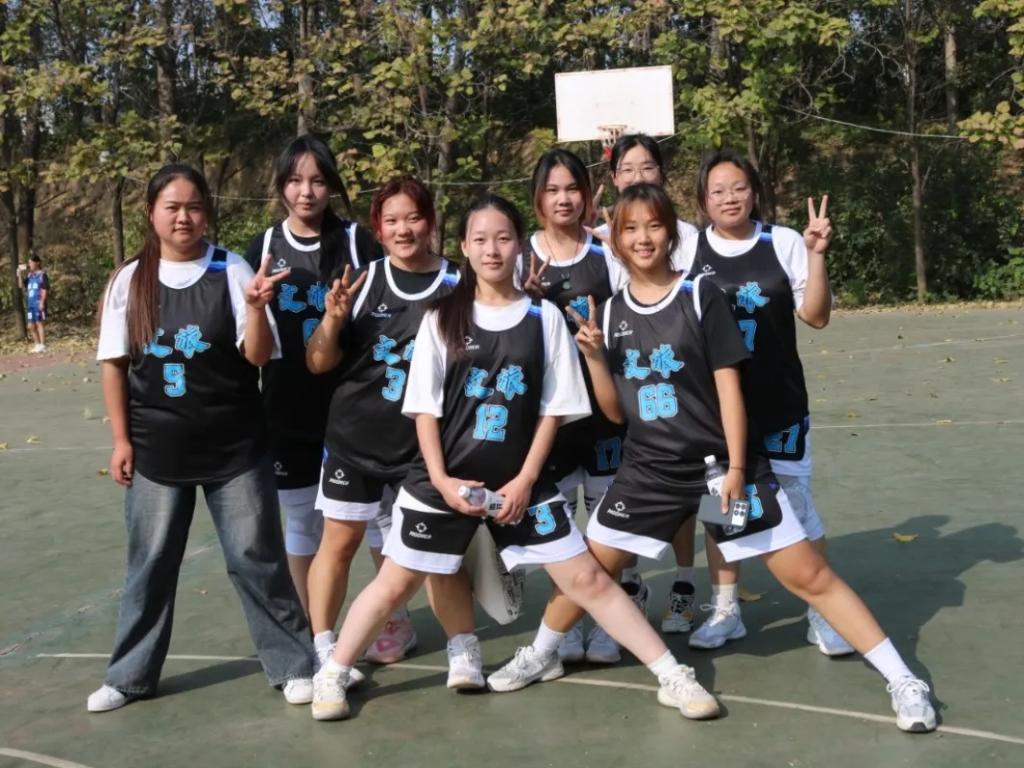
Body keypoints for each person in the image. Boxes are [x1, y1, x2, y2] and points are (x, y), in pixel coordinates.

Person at [529, 182, 935, 733]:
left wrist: (739, 470)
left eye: (654, 225)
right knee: (588, 572)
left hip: (717, 471)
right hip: (650, 473)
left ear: (671, 232)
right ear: (616, 241)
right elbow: (618, 414)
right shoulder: (615, 309)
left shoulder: (700, 294)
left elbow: (729, 391)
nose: (643, 238)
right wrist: (598, 360)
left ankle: (903, 680)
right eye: (630, 228)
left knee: (807, 575)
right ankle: (538, 654)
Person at [311, 194, 719, 723]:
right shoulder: (441, 317)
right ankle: (333, 674)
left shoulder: (544, 318)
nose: (492, 250)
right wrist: (442, 480)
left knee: (589, 579)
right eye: (480, 239)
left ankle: (672, 675)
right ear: (463, 247)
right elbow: (424, 411)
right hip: (444, 481)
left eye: (503, 238)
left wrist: (526, 479)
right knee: (395, 582)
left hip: (520, 484)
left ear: (520, 246)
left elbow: (553, 410)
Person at [88, 163, 315, 713]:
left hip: (234, 449)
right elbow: (114, 364)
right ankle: (129, 676)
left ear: (206, 212)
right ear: (151, 213)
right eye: (172, 207)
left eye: (193, 207)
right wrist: (121, 440)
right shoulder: (130, 279)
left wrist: (256, 308)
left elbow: (258, 356)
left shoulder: (230, 269)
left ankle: (293, 665)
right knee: (150, 564)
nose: (183, 217)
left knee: (256, 558)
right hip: (156, 450)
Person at [678, 150, 851, 657]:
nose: (729, 198)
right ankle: (725, 610)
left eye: (738, 187)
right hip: (716, 413)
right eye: (717, 191)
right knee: (722, 511)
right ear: (703, 200)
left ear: (754, 191)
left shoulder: (785, 242)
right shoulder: (689, 249)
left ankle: (822, 612)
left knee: (796, 507)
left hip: (780, 405)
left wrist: (817, 254)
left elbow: (816, 316)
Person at [304, 177, 466, 672]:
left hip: (425, 447)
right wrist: (332, 320)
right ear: (377, 228)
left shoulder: (460, 284)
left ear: (430, 222)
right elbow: (317, 362)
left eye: (413, 218)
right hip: (355, 440)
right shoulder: (362, 281)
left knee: (432, 553)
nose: (403, 229)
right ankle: (324, 646)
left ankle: (462, 650)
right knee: (340, 542)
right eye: (392, 220)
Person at [243, 135, 382, 613]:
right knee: (303, 522)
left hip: (353, 409)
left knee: (374, 520)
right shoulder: (263, 247)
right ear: (281, 185)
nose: (306, 192)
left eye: (318, 181)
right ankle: (312, 623)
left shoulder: (358, 242)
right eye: (295, 180)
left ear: (332, 186)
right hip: (287, 409)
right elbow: (249, 333)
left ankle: (392, 622)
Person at [518, 148, 637, 665]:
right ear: (537, 198)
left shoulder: (606, 252)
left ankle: (618, 610)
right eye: (552, 190)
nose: (563, 199)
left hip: (606, 407)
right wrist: (522, 298)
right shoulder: (520, 256)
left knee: (611, 520)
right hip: (551, 415)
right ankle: (564, 620)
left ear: (587, 196)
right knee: (561, 525)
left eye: (572, 188)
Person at [595, 132, 702, 637]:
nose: (638, 176)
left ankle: (685, 583)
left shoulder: (686, 236)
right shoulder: (598, 238)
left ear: (662, 172)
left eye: (647, 167)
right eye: (627, 168)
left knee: (687, 493)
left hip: (675, 381)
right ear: (613, 177)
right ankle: (632, 583)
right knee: (629, 489)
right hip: (621, 376)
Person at [21, 255, 50, 353]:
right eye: (29, 263)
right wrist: (19, 274)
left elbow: (45, 289)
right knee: (30, 325)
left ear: (37, 263)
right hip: (30, 304)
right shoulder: (29, 276)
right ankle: (37, 344)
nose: (29, 264)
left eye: (31, 262)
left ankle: (43, 345)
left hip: (38, 302)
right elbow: (21, 286)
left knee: (39, 323)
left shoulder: (42, 275)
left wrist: (42, 302)